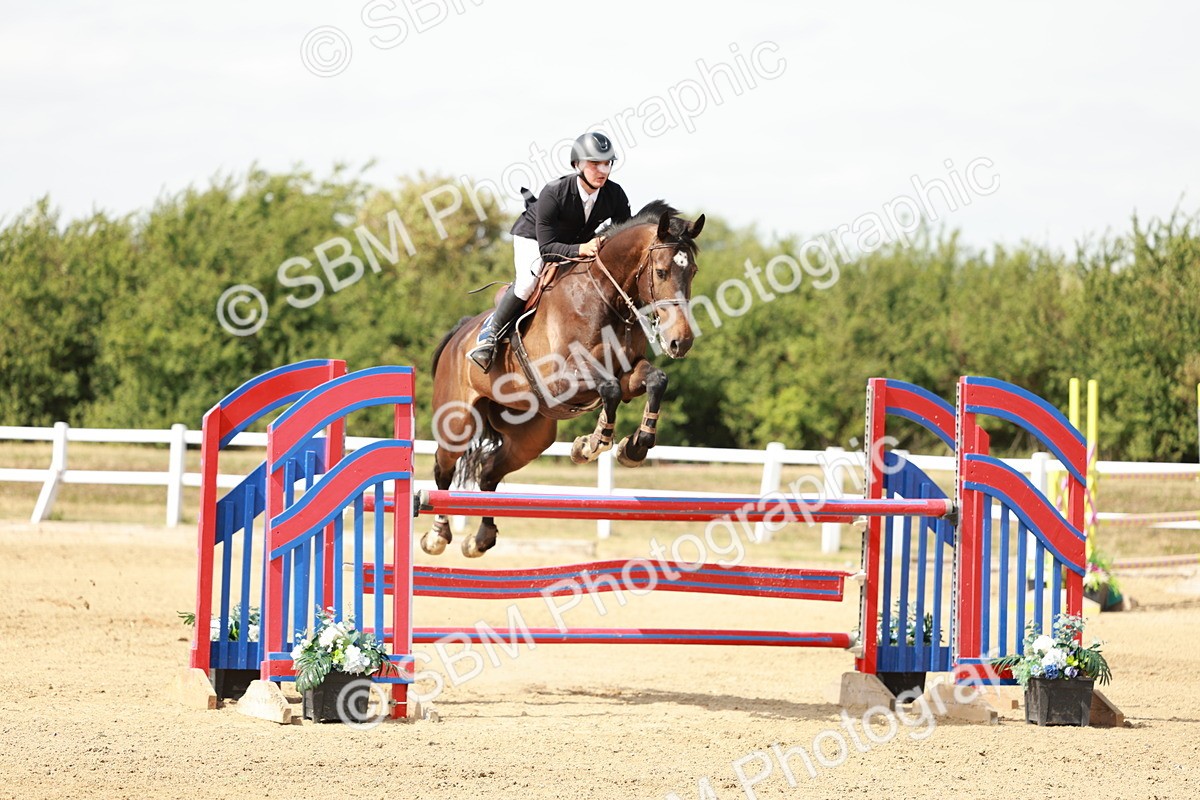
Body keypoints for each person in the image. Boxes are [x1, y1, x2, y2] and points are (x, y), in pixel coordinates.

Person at [467, 131, 632, 371]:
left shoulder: (615, 194)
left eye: (607, 164)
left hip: (574, 240)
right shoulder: (555, 192)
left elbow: (622, 233)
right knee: (528, 279)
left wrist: (601, 242)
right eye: (595, 163)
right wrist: (582, 248)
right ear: (577, 164)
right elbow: (547, 251)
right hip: (534, 238)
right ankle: (490, 335)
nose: (603, 170)